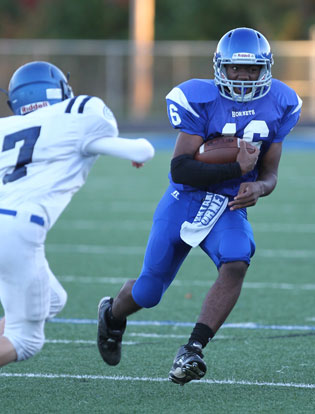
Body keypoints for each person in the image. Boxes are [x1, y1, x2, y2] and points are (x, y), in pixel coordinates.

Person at [96, 27, 302, 385]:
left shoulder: (281, 102)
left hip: (228, 204)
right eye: (235, 69)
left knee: (237, 258)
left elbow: (270, 175)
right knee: (148, 292)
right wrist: (235, 168)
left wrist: (257, 187)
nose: (242, 77)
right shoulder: (200, 99)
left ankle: (192, 348)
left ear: (265, 68)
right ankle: (112, 314)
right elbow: (180, 168)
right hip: (184, 200)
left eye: (251, 69)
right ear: (220, 68)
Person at [0, 61, 155, 367]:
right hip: (15, 230)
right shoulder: (77, 114)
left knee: (53, 299)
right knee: (26, 340)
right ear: (60, 89)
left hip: (8, 226)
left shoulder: (6, 127)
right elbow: (144, 151)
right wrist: (132, 150)